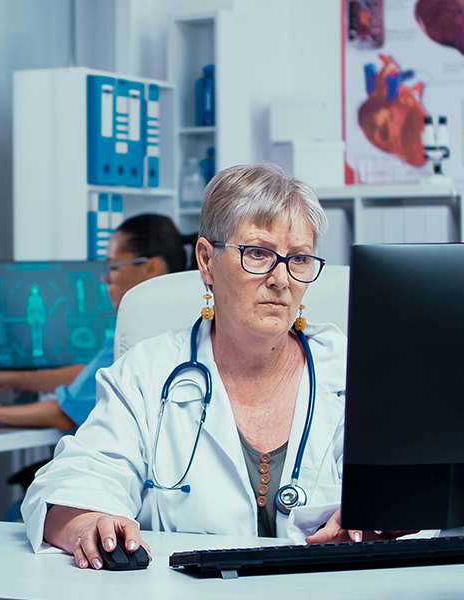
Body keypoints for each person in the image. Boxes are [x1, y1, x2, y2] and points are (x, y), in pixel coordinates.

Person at [23, 164, 407, 570]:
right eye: (258, 253)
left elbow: (414, 493)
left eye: (298, 258)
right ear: (206, 260)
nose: (281, 279)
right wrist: (89, 523)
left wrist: (378, 523)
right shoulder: (147, 374)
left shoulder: (351, 370)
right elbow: (70, 486)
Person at [0, 213, 193, 430]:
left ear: (151, 267)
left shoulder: (140, 334)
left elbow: (64, 414)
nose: (105, 278)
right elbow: (92, 377)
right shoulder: (183, 323)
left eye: (113, 266)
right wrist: (6, 380)